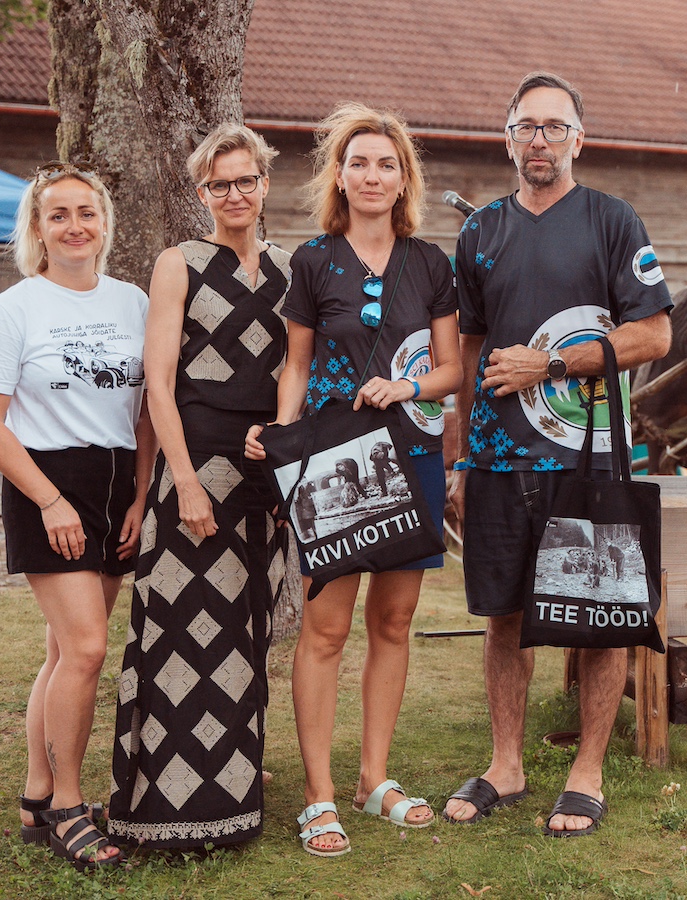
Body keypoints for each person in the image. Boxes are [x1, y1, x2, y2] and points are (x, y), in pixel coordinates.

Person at [442, 72, 673, 837]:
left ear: (579, 139)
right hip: (498, 460)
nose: (539, 139)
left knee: (599, 619)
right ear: (507, 138)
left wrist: (551, 364)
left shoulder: (612, 220)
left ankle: (587, 772)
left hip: (589, 458)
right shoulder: (479, 233)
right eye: (526, 126)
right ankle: (506, 765)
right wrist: (460, 456)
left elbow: (655, 335)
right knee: (503, 615)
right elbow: (469, 351)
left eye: (554, 126)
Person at [246, 102, 462, 857]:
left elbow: (451, 369)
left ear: (405, 181)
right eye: (359, 163)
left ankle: (375, 778)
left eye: (387, 164)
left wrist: (407, 388)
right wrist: (285, 445)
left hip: (413, 453)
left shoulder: (431, 264)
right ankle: (319, 795)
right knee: (327, 628)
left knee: (394, 623)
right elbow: (297, 365)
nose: (373, 175)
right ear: (339, 176)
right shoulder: (313, 261)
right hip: (334, 461)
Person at [106, 124, 292, 851]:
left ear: (264, 185)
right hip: (194, 467)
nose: (234, 194)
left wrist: (285, 457)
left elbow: (297, 371)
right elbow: (157, 384)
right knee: (180, 630)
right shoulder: (178, 263)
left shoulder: (289, 268)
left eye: (246, 180)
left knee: (247, 628)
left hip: (262, 473)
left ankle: (235, 786)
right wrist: (181, 480)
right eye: (220, 184)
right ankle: (165, 802)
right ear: (202, 192)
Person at [0, 162, 153, 870]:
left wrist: (139, 495)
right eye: (58, 215)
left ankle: (37, 795)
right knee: (87, 649)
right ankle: (71, 808)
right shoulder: (14, 309)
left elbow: (146, 412)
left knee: (61, 652)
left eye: (86, 212)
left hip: (115, 487)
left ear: (105, 221)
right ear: (38, 229)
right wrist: (49, 500)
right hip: (47, 485)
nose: (75, 226)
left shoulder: (133, 302)